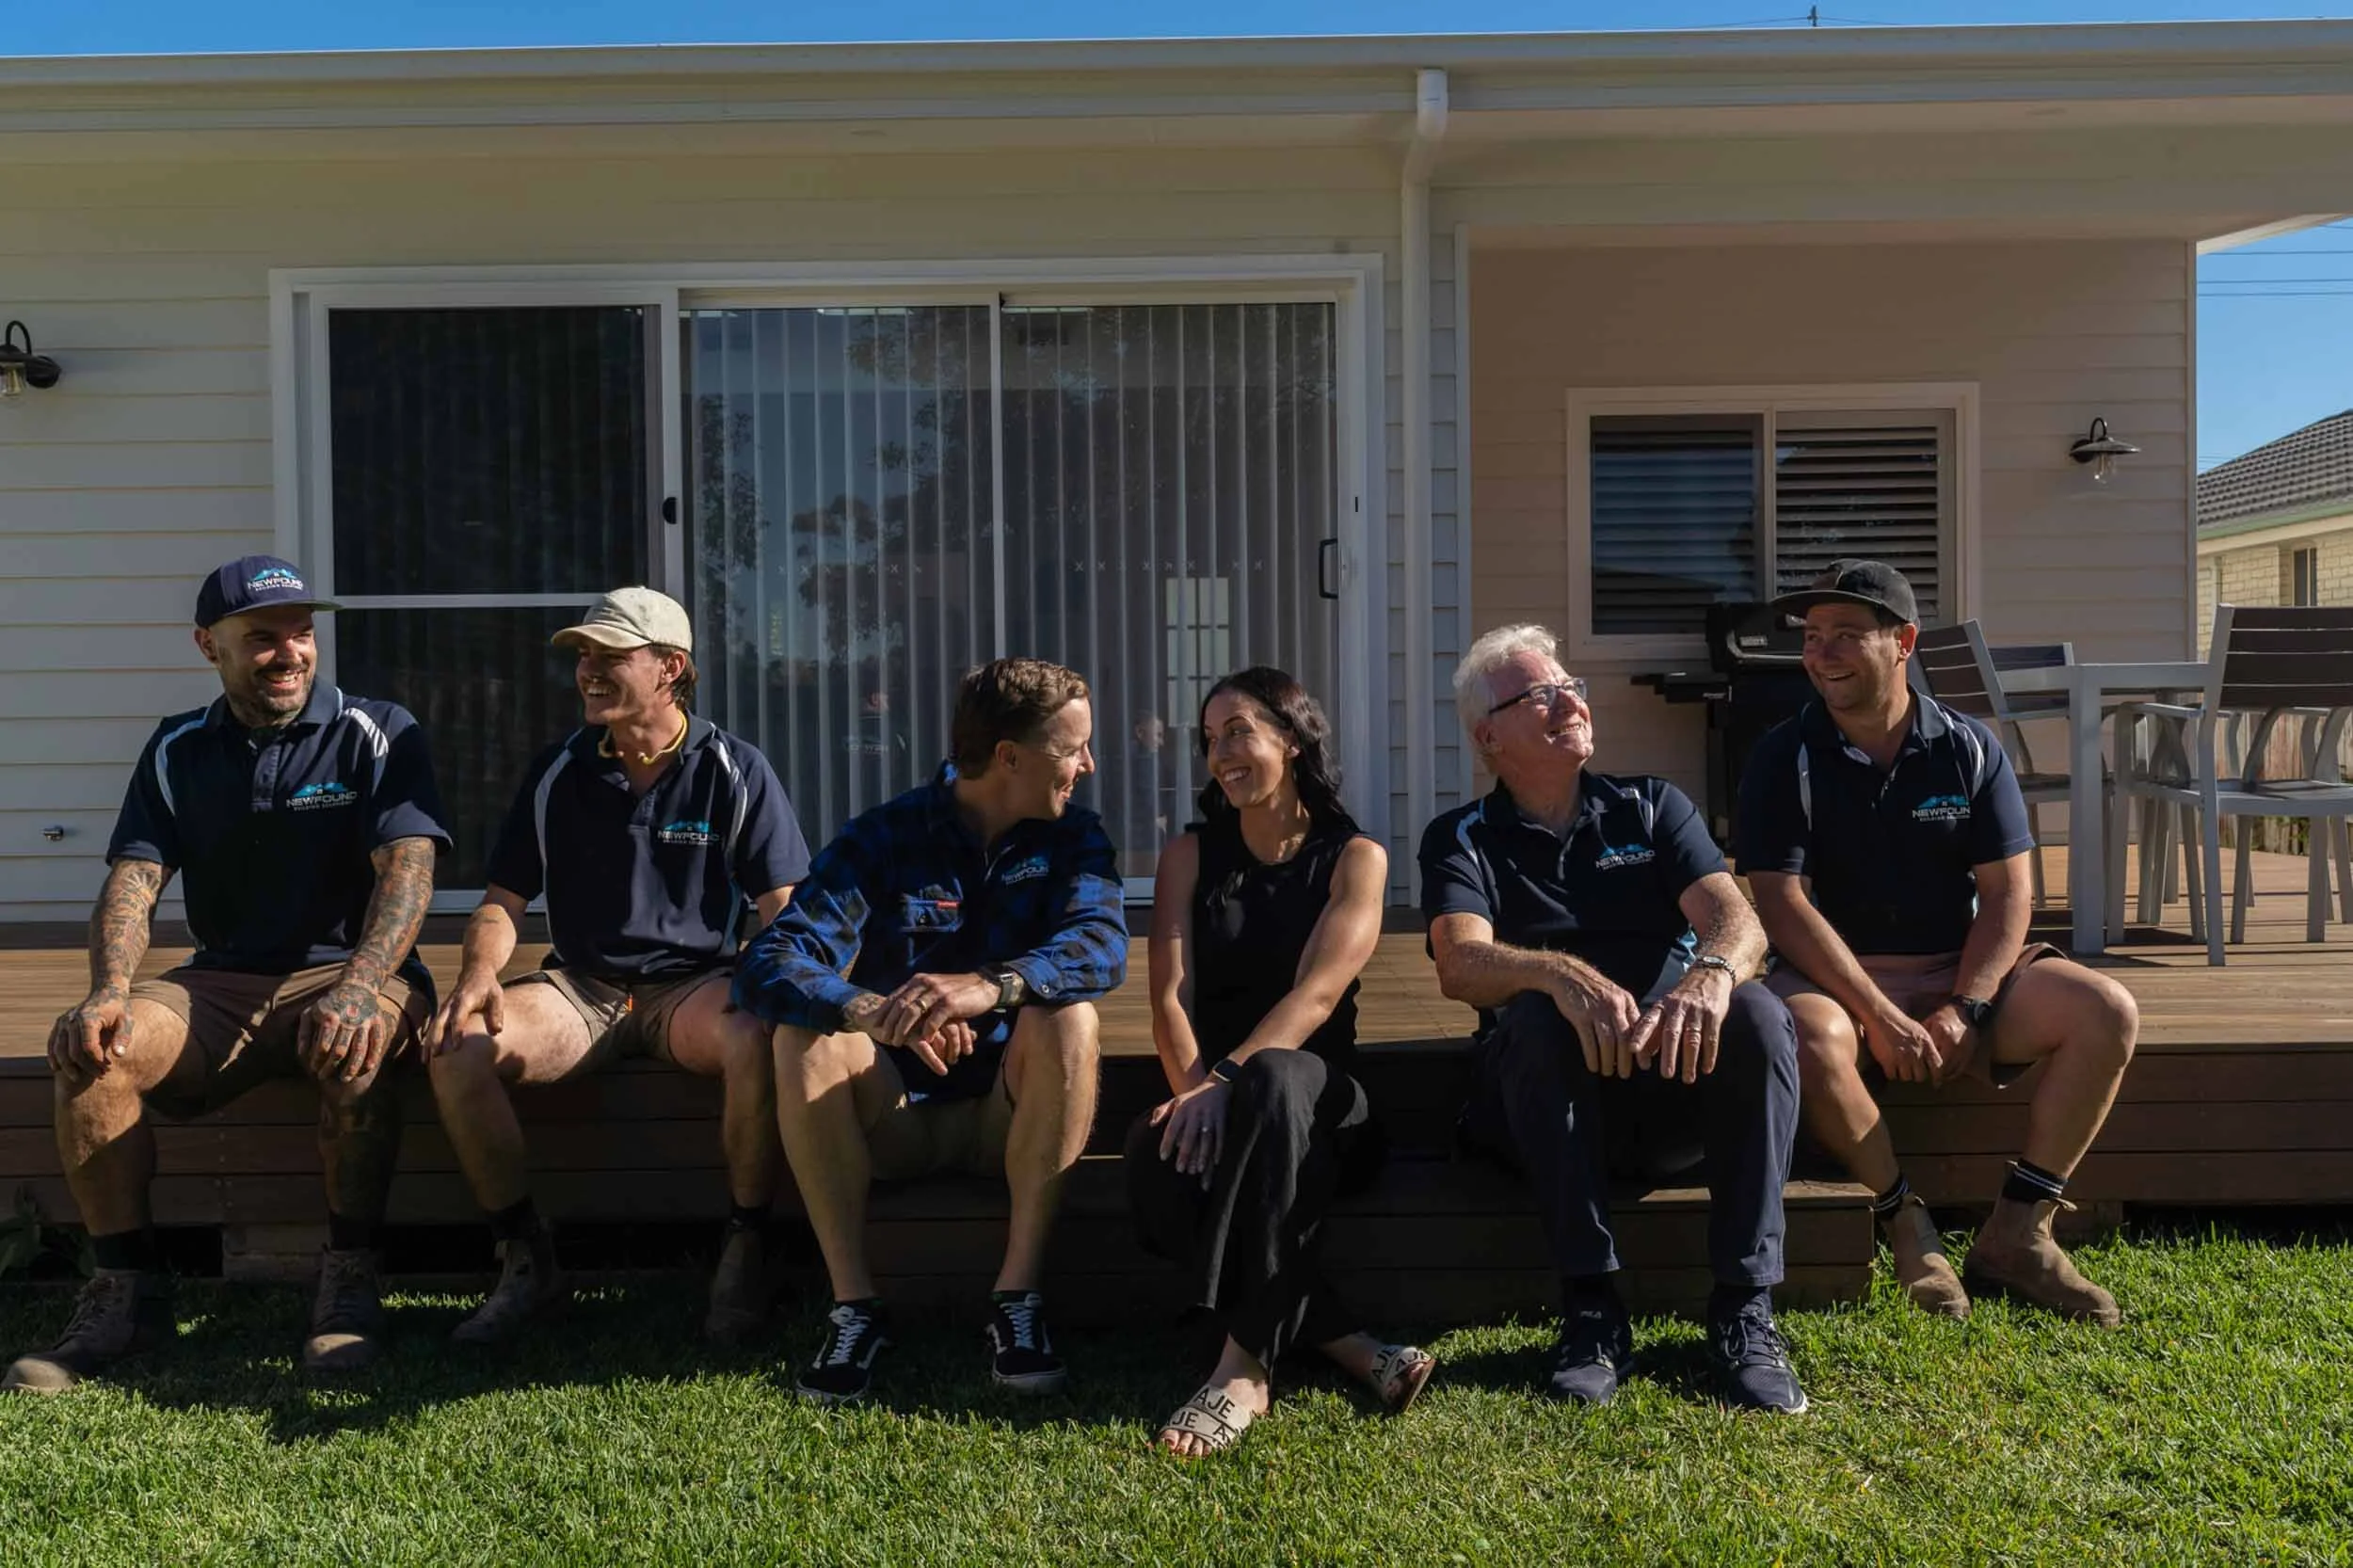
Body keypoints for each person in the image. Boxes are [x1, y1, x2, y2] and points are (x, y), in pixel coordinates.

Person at [5, 556, 448, 1391]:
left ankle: (350, 1279)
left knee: (359, 1045)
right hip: (222, 981)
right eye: (264, 638)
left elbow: (409, 869)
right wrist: (107, 990)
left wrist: (360, 985)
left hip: (349, 971)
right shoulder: (178, 746)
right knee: (94, 1050)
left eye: (302, 633)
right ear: (210, 645)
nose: (290, 653)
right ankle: (126, 1291)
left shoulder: (374, 729)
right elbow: (135, 882)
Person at [1737, 560, 2137, 1326]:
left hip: (1957, 970)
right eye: (1814, 638)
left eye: (1848, 636)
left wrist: (1967, 1005)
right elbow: (1782, 906)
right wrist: (1880, 1015)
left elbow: (2010, 892)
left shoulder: (1967, 747)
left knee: (2106, 1009)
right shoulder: (1779, 757)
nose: (1823, 654)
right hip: (1840, 980)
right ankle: (1904, 1221)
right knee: (1807, 1033)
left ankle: (2020, 1231)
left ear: (1904, 643)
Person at [1421, 624, 1806, 1414]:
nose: (1571, 701)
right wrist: (1558, 975)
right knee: (1531, 1020)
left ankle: (1744, 1307)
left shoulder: (1651, 806)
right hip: (1543, 1105)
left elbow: (1742, 922)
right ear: (1488, 735)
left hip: (1671, 1084)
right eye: (1541, 693)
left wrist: (1709, 975)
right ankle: (1592, 1310)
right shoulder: (1461, 838)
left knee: (1760, 1016)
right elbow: (1461, 963)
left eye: (1572, 687)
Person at [422, 587, 810, 1346]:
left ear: (671, 668)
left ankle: (745, 1244)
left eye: (611, 656)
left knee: (754, 1035)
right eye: (583, 657)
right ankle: (526, 1257)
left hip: (693, 987)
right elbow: (503, 900)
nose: (589, 672)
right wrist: (476, 975)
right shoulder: (558, 771)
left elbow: (783, 903)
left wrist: (791, 982)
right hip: (582, 988)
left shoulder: (734, 768)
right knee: (456, 1048)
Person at [735, 657, 1125, 1404]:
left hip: (1010, 1114)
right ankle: (855, 1308)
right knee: (802, 1033)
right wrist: (872, 1014)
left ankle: (1018, 1300)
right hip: (899, 1116)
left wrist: (992, 987)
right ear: (1009, 757)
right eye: (1073, 748)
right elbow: (772, 959)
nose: (1089, 764)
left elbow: (1101, 946)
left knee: (1071, 1015)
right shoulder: (887, 836)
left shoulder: (1076, 837)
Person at [1126, 667, 1433, 1457]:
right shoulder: (1188, 856)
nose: (1219, 752)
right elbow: (1169, 1000)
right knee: (1149, 1160)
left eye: (1238, 731)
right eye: (1208, 738)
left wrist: (1227, 1082)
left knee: (1276, 1074)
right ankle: (1351, 1346)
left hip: (1326, 1110)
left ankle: (1243, 1366)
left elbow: (1316, 998)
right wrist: (1196, 1095)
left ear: (1291, 741)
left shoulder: (1355, 857)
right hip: (1221, 1096)